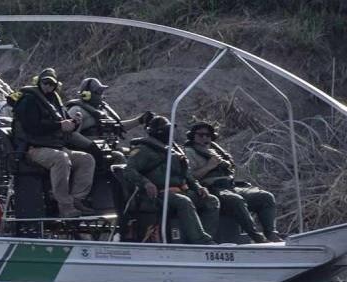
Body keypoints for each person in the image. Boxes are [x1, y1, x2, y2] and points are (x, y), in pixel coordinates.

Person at [11, 68, 96, 217]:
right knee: (61, 159)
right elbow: (32, 127)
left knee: (86, 159)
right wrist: (59, 125)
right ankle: (65, 207)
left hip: (55, 146)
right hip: (34, 148)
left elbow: (63, 123)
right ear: (39, 82)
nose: (48, 86)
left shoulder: (54, 99)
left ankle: (77, 199)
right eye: (45, 82)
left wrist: (74, 123)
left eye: (52, 84)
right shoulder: (28, 99)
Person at [124, 116, 220, 245]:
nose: (169, 133)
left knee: (211, 201)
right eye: (166, 130)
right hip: (158, 194)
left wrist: (198, 187)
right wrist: (146, 183)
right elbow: (129, 170)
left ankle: (204, 239)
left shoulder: (173, 150)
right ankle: (201, 241)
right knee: (184, 202)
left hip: (179, 190)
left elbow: (186, 174)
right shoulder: (143, 150)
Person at [184, 121, 282, 243]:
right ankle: (257, 237)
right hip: (210, 188)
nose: (205, 138)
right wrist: (209, 166)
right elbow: (189, 177)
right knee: (236, 200)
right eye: (200, 135)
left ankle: (271, 233)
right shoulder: (189, 152)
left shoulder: (215, 150)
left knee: (265, 197)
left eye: (208, 135)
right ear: (193, 136)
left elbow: (231, 170)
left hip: (230, 186)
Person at [65, 77, 154, 169]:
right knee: (119, 157)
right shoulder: (76, 110)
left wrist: (139, 120)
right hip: (90, 152)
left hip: (108, 149)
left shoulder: (102, 110)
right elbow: (71, 134)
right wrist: (92, 146)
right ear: (86, 94)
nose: (101, 95)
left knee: (137, 153)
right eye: (98, 92)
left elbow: (117, 127)